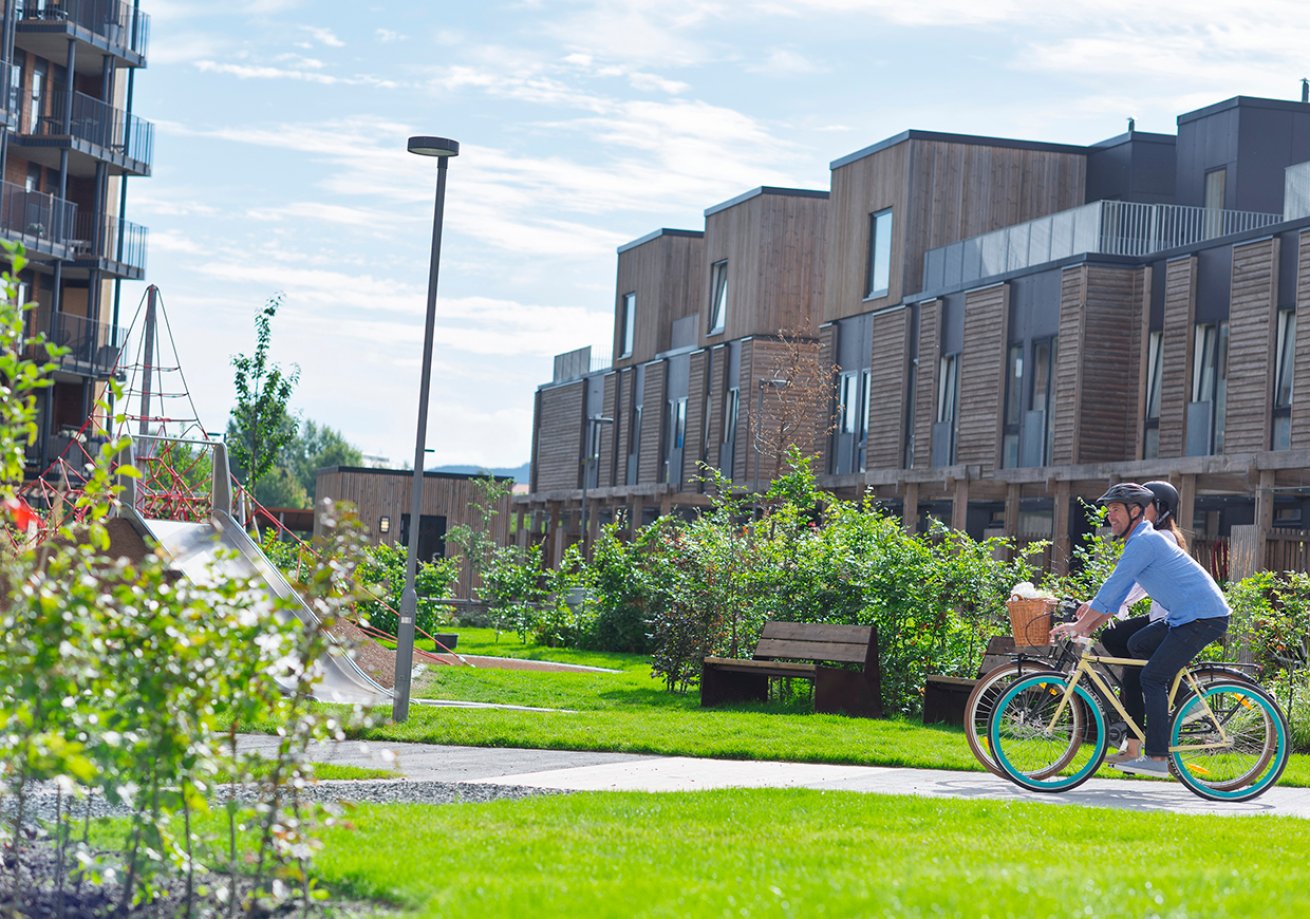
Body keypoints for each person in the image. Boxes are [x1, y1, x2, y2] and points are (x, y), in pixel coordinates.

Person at [1049, 482, 1229, 776]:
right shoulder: (1141, 540)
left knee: (1152, 677)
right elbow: (1115, 598)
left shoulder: (1146, 541)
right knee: (1137, 646)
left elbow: (1113, 589)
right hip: (1185, 616)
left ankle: (1157, 759)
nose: (1110, 517)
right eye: (1108, 511)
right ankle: (1150, 730)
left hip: (1202, 617)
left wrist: (1080, 625)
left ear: (1136, 512)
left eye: (1116, 510)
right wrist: (1086, 626)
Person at [1095, 481, 1186, 764]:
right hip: (1160, 617)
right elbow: (1133, 583)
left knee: (1135, 671)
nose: (1138, 510)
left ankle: (1178, 697)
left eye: (1144, 505)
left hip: (1169, 619)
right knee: (1114, 642)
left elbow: (1132, 584)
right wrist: (1111, 606)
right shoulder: (1152, 536)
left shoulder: (1163, 538)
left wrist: (1112, 605)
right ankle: (1133, 745)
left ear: (1160, 510)